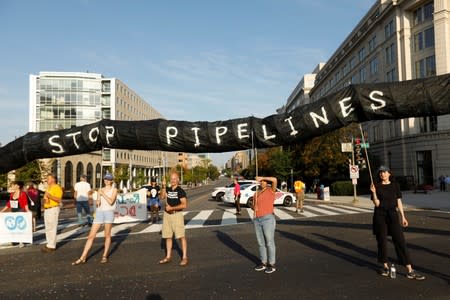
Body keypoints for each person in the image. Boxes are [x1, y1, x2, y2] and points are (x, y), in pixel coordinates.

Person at [370, 166, 425, 280]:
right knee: (382, 241)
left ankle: (410, 270)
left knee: (400, 241)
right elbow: (377, 204)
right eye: (380, 173)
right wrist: (374, 193)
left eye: (384, 172)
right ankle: (385, 266)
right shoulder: (376, 186)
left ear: (389, 173)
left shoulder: (395, 185)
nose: (382, 174)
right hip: (380, 215)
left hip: (393, 215)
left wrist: (403, 217)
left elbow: (399, 201)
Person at [72, 173, 118, 265]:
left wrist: (103, 194)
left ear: (111, 181)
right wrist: (97, 199)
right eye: (105, 179)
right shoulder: (100, 189)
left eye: (108, 179)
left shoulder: (114, 189)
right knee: (91, 236)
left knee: (107, 235)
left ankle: (104, 256)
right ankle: (83, 257)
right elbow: (98, 203)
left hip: (109, 212)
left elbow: (111, 202)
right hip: (100, 213)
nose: (106, 181)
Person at [159, 172, 188, 266]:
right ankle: (168, 256)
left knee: (181, 236)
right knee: (168, 236)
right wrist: (163, 186)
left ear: (178, 180)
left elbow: (184, 204)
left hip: (177, 215)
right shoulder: (168, 189)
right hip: (167, 215)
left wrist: (172, 208)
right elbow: (162, 197)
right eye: (171, 179)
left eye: (174, 179)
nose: (173, 180)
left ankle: (184, 257)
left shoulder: (180, 191)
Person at [252, 176, 278, 274]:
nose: (262, 182)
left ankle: (271, 264)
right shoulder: (256, 193)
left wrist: (261, 177)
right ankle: (263, 262)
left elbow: (274, 180)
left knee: (269, 242)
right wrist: (254, 208)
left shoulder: (271, 190)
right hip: (257, 219)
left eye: (264, 181)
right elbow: (254, 205)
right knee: (260, 243)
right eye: (261, 181)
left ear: (267, 183)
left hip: (268, 218)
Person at [0, 181, 30, 248]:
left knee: (21, 226)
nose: (13, 186)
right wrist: (2, 211)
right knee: (14, 227)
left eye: (14, 185)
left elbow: (25, 204)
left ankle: (21, 241)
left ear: (18, 186)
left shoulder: (23, 194)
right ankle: (16, 240)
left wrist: (28, 211)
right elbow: (9, 204)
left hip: (21, 211)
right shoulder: (12, 194)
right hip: (14, 211)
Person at [42, 174, 63, 253]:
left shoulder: (57, 188)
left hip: (53, 209)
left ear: (53, 179)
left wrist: (49, 196)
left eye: (48, 179)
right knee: (48, 228)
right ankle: (49, 243)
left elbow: (59, 199)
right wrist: (45, 200)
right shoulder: (49, 188)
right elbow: (46, 198)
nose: (47, 180)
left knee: (52, 227)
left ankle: (52, 245)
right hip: (47, 208)